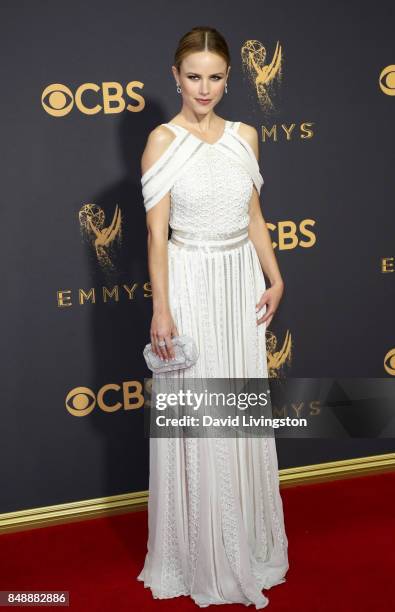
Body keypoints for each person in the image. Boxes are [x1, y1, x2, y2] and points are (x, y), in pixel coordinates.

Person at [137, 25, 289, 609]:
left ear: (230, 78)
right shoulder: (160, 141)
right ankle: (198, 553)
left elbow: (254, 214)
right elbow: (156, 236)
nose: (205, 88)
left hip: (239, 285)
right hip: (192, 286)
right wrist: (162, 309)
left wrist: (275, 277)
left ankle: (246, 545)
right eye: (193, 76)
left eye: (216, 77)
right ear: (175, 77)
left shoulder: (246, 136)